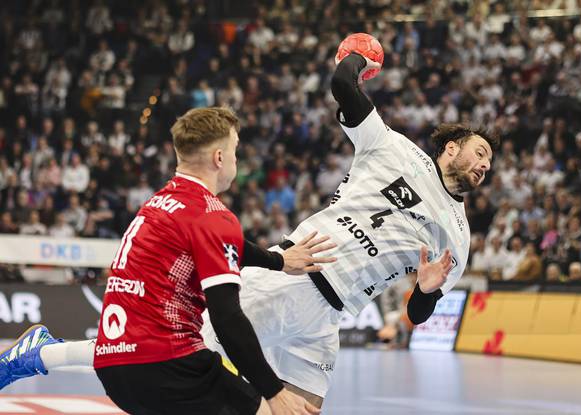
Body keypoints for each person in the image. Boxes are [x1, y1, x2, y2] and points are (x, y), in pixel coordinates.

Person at [1, 52, 498, 408]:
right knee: (155, 353)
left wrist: (428, 292)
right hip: (293, 277)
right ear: (450, 147)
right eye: (479, 153)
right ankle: (42, 352)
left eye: (490, 164)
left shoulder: (456, 236)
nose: (484, 166)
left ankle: (42, 350)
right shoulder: (393, 148)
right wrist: (357, 56)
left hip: (329, 318)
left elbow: (417, 311)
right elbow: (344, 88)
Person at [1, 107, 332, 415]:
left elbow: (228, 244)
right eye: (234, 150)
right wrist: (274, 391)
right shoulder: (214, 217)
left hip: (115, 373)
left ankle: (42, 353)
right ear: (219, 158)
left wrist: (277, 260)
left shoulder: (160, 204)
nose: (236, 158)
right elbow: (228, 319)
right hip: (169, 369)